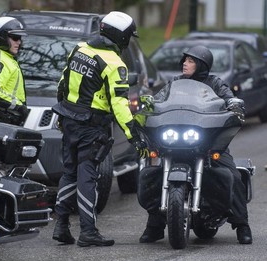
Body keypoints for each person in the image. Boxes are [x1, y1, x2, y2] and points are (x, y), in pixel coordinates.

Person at [139, 45, 252, 245]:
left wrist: (233, 103)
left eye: (191, 61)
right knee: (156, 172)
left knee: (233, 175)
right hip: (175, 140)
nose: (185, 64)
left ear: (201, 65)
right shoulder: (175, 83)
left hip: (206, 143)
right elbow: (159, 100)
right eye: (185, 60)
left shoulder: (215, 83)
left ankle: (242, 225)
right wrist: (149, 103)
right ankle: (154, 226)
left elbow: (228, 99)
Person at [51, 11, 144, 247]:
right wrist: (134, 134)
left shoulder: (79, 49)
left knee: (69, 173)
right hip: (92, 126)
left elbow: (62, 83)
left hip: (69, 120)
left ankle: (61, 225)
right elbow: (119, 103)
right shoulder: (114, 63)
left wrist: (64, 114)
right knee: (88, 177)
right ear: (120, 36)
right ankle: (88, 231)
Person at [0, 16, 29, 126]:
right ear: (1, 37)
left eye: (20, 38)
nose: (19, 42)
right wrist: (18, 106)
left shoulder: (5, 57)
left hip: (5, 119)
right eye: (15, 38)